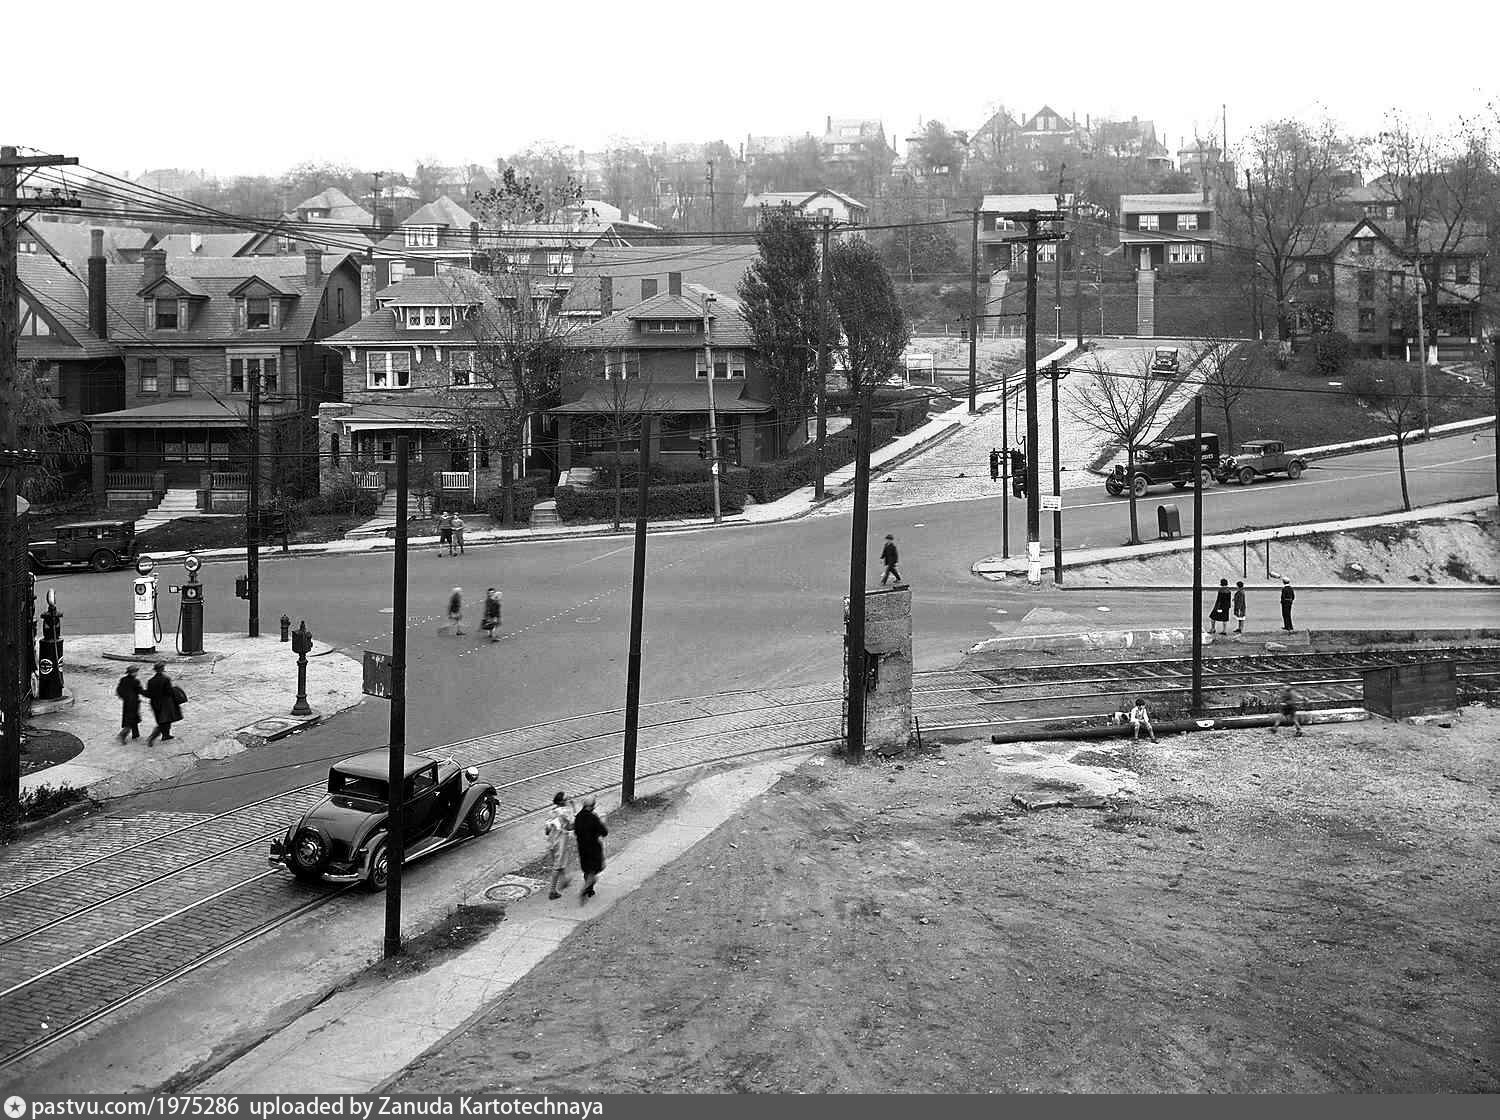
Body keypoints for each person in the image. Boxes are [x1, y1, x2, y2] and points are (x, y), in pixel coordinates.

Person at [572, 795, 609, 901]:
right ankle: (588, 886)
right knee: (596, 869)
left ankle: (589, 889)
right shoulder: (593, 818)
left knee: (587, 870)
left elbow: (575, 832)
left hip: (582, 848)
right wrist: (602, 822)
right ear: (592, 806)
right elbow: (604, 832)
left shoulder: (578, 817)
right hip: (594, 848)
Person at [545, 791, 577, 900]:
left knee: (559, 862)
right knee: (557, 866)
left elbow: (547, 830)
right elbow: (572, 826)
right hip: (561, 841)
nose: (569, 799)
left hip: (551, 841)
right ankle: (552, 891)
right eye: (567, 798)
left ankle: (564, 881)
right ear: (563, 802)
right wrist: (573, 807)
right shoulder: (565, 812)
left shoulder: (552, 812)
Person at [144, 661, 183, 746]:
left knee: (160, 720)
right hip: (165, 703)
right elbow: (169, 692)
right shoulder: (166, 679)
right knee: (165, 721)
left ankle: (166, 735)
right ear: (162, 669)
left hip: (154, 703)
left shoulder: (150, 681)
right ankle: (152, 737)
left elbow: (149, 694)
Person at [116, 665, 144, 742]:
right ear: (132, 673)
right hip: (134, 703)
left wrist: (124, 698)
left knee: (132, 718)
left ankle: (136, 734)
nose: (136, 673)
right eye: (135, 672)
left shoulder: (123, 680)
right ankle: (122, 735)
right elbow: (140, 691)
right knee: (131, 719)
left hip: (127, 703)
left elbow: (119, 690)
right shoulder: (135, 681)